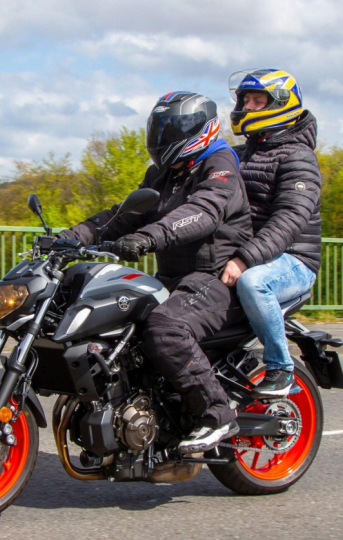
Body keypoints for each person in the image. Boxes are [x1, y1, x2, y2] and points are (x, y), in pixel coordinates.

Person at [59, 91, 253, 454]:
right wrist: (68, 238)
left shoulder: (220, 164)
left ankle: (217, 413)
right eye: (159, 128)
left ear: (198, 129)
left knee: (165, 328)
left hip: (212, 279)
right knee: (113, 320)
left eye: (171, 128)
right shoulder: (163, 174)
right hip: (174, 279)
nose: (162, 137)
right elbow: (125, 215)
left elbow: (203, 211)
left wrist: (148, 238)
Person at [219, 69, 322, 398]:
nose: (247, 107)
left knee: (254, 282)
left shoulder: (299, 157)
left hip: (292, 259)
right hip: (251, 254)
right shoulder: (239, 154)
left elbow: (290, 218)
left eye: (257, 101)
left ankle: (281, 368)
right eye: (245, 100)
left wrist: (244, 260)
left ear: (280, 105)